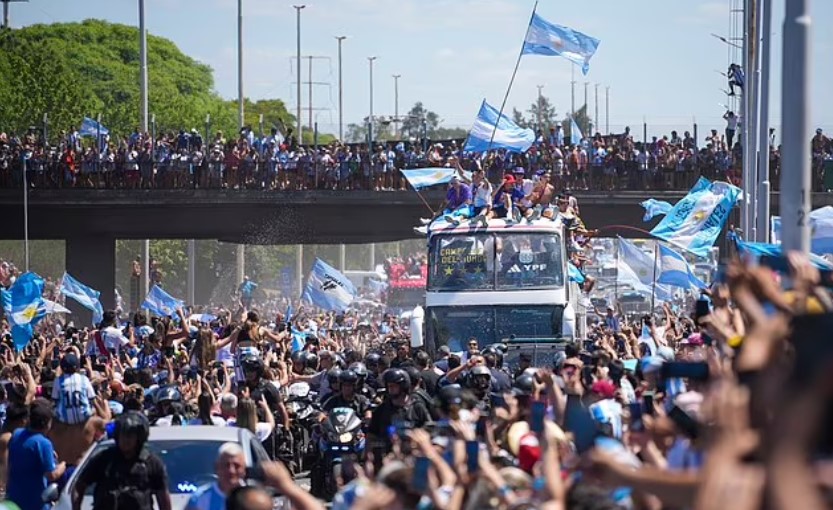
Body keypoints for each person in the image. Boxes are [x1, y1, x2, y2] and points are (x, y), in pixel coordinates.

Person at [72, 411, 171, 510]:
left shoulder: (152, 463)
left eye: (130, 436)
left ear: (139, 437)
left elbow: (163, 496)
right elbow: (79, 485)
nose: (125, 440)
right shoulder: (103, 459)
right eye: (122, 435)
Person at [6, 399, 65, 510]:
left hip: (13, 501)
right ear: (47, 423)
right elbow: (51, 475)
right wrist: (63, 465)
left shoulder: (17, 434)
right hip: (34, 503)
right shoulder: (43, 444)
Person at [185, 442, 246, 510]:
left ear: (244, 469)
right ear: (217, 467)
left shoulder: (253, 498)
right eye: (226, 465)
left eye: (237, 466)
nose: (231, 471)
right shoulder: (200, 499)